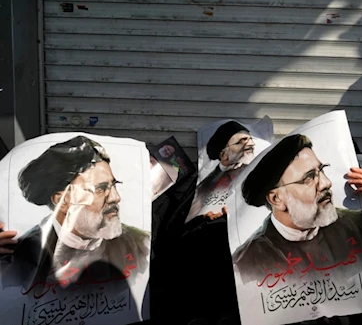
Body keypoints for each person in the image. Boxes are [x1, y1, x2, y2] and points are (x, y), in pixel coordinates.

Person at [0, 135, 150, 293]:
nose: (115, 197)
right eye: (100, 189)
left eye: (114, 185)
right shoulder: (23, 252)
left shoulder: (138, 243)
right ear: (62, 200)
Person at [232, 134, 362, 286]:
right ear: (277, 199)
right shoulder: (247, 262)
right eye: (309, 178)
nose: (325, 183)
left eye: (321, 170)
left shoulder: (360, 226)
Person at [185, 121, 256, 223]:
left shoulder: (254, 173)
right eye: (242, 141)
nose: (252, 144)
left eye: (250, 139)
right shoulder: (206, 184)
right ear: (224, 155)